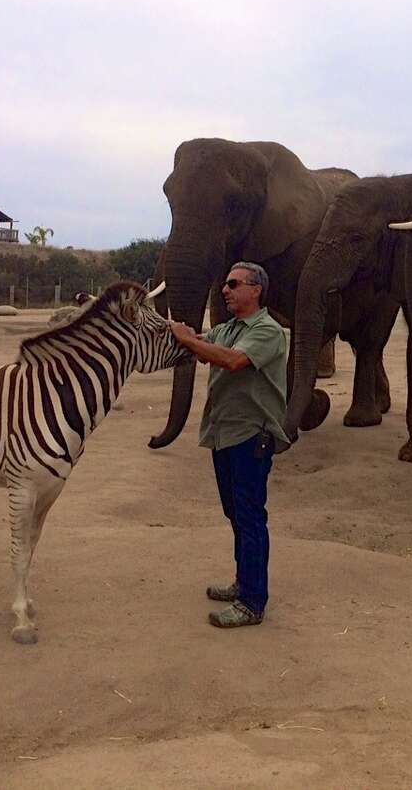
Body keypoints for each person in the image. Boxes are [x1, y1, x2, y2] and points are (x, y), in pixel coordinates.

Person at [168, 261, 289, 628]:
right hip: (224, 433)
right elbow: (205, 347)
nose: (225, 289)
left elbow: (233, 361)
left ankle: (253, 602)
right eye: (225, 284)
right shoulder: (227, 328)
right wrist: (180, 334)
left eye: (234, 284)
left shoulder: (268, 331)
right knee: (236, 514)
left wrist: (188, 338)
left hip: (252, 435)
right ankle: (244, 582)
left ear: (256, 290)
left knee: (251, 517)